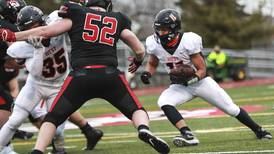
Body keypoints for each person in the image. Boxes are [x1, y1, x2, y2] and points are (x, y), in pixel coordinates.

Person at [0, 0, 171, 153]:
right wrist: (138, 60)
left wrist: (14, 35)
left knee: (52, 118)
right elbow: (139, 48)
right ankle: (143, 128)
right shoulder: (117, 18)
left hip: (80, 76)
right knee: (135, 109)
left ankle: (38, 150)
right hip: (109, 74)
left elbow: (45, 31)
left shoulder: (76, 14)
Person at [140, 9, 272, 147]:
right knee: (164, 101)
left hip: (201, 82)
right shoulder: (153, 43)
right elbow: (152, 63)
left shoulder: (188, 40)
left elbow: (202, 70)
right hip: (179, 85)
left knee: (231, 109)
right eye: (159, 29)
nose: (161, 33)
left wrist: (192, 79)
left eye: (164, 29)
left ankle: (259, 130)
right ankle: (187, 134)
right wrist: (147, 73)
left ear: (174, 28)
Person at [0, 5, 103, 154]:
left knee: (57, 130)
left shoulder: (55, 22)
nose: (34, 30)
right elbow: (35, 71)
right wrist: (38, 49)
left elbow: (73, 13)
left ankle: (59, 150)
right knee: (15, 120)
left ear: (42, 21)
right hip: (36, 85)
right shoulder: (19, 48)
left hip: (58, 86)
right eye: (29, 28)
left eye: (35, 25)